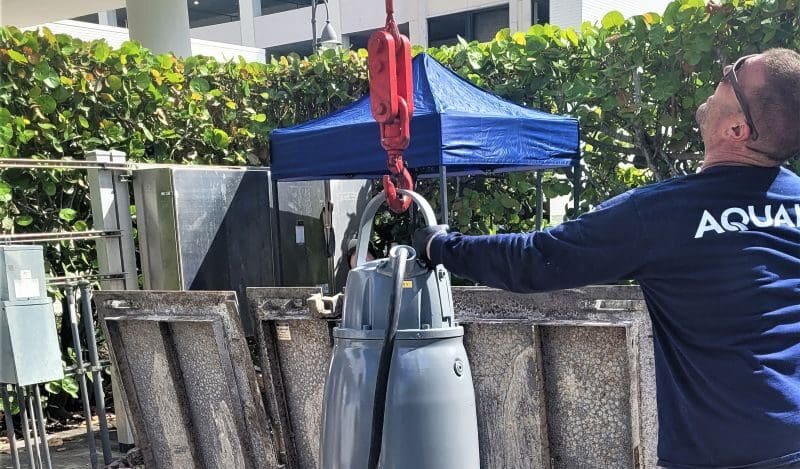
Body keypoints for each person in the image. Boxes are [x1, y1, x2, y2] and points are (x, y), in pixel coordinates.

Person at [413, 48, 800, 469]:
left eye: (734, 74)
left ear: (738, 128)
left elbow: (536, 259)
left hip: (726, 456)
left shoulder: (660, 215)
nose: (723, 72)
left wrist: (440, 246)